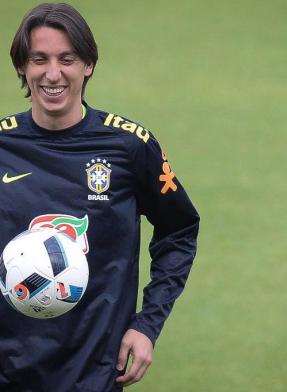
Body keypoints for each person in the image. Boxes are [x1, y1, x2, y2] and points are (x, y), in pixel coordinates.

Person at [0, 3, 199, 392]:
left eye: (66, 59)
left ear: (88, 64)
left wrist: (147, 325)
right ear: (22, 66)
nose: (52, 73)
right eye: (39, 59)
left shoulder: (128, 146)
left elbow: (180, 230)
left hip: (93, 372)